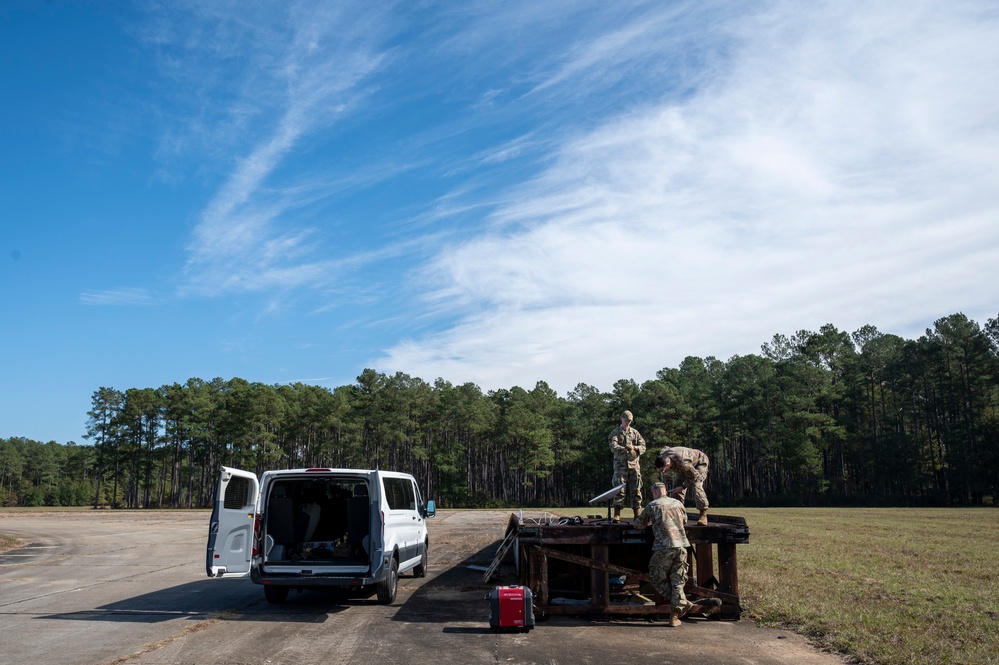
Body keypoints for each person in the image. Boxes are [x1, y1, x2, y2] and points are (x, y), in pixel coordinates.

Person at [632, 482, 693, 626]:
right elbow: (684, 521)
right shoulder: (678, 504)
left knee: (656, 576)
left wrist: (650, 523)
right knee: (678, 581)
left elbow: (638, 525)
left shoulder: (653, 506)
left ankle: (681, 602)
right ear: (665, 491)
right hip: (682, 546)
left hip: (664, 547)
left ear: (654, 493)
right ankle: (675, 616)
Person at [655, 446, 710, 525]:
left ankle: (703, 514)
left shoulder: (684, 463)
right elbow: (665, 447)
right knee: (676, 489)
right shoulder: (663, 455)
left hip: (699, 463)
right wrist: (679, 487)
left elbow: (694, 476)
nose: (663, 472)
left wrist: (683, 487)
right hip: (680, 467)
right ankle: (679, 515)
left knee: (697, 486)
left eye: (663, 470)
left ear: (667, 464)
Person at [608, 409, 646, 522]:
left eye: (630, 421)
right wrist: (624, 449)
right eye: (626, 420)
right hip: (621, 466)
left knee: (636, 490)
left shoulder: (635, 433)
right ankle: (617, 514)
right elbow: (613, 446)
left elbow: (643, 446)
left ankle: (637, 514)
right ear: (621, 419)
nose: (628, 423)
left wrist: (635, 448)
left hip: (634, 466)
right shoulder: (615, 433)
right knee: (619, 490)